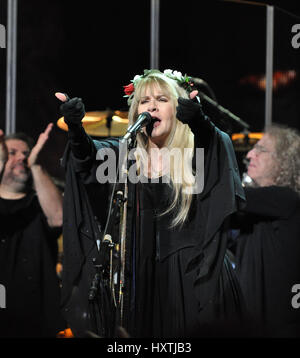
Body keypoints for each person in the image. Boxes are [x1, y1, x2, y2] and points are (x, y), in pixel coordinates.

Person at [56, 69, 247, 338]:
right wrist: (76, 130)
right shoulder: (125, 155)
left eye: (161, 99)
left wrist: (200, 123)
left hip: (194, 279)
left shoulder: (197, 153)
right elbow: (88, 160)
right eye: (144, 101)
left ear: (179, 108)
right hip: (140, 280)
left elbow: (214, 151)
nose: (151, 106)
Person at [230, 124, 300, 337]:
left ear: (282, 161)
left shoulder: (288, 200)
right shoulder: (255, 211)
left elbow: (229, 196)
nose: (250, 155)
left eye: (260, 149)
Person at [0, 124, 65, 338]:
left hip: (36, 319)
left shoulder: (40, 202)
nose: (21, 157)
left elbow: (58, 217)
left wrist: (35, 164)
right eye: (12, 153)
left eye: (26, 153)